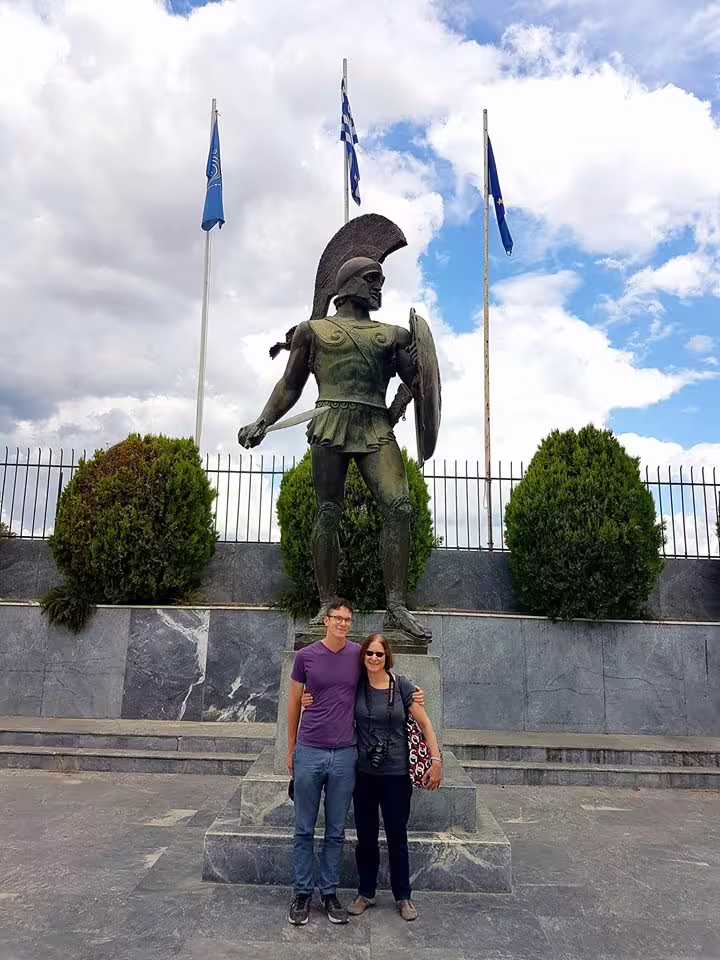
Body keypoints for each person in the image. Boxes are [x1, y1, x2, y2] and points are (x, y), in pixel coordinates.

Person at [237, 252, 432, 642]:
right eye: (373, 279)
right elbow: (290, 386)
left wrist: (401, 399)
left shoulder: (393, 335)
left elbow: (418, 383)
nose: (379, 287)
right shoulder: (313, 332)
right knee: (328, 512)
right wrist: (263, 419)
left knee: (400, 505)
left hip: (375, 425)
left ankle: (395, 607)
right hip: (329, 423)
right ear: (350, 285)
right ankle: (327, 604)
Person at [286, 599, 424, 927]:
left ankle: (330, 893)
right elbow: (293, 703)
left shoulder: (356, 657)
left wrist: (413, 692)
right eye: (338, 618)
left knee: (335, 831)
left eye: (348, 619)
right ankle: (302, 893)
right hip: (309, 750)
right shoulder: (304, 657)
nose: (343, 624)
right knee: (304, 828)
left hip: (345, 754)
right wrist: (291, 749)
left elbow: (383, 673)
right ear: (326, 621)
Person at [348, 633, 442, 922]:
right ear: (362, 656)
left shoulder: (401, 686)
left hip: (396, 775)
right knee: (365, 837)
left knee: (397, 836)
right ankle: (366, 891)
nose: (373, 658)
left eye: (379, 654)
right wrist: (307, 699)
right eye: (369, 654)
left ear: (386, 657)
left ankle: (404, 896)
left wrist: (436, 760)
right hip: (364, 774)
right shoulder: (355, 686)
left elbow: (425, 722)